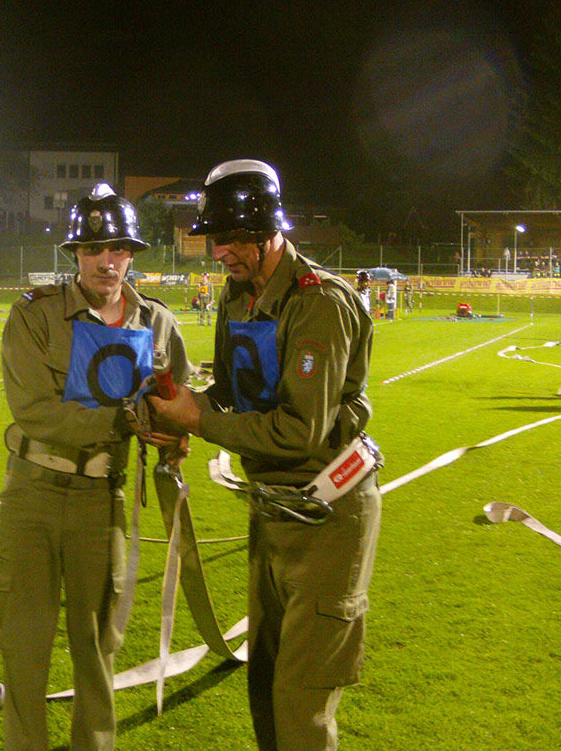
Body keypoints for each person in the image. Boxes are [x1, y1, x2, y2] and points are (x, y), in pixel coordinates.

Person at [148, 160, 381, 751]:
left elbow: (299, 431)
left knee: (301, 706)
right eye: (215, 237)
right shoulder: (237, 296)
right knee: (265, 689)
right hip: (272, 511)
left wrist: (197, 420)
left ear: (266, 230)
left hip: (328, 519)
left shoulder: (319, 302)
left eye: (231, 237)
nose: (219, 251)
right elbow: (232, 394)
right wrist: (175, 409)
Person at [0, 183, 190, 751]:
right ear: (75, 254)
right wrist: (125, 421)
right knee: (24, 643)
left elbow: (174, 403)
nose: (107, 261)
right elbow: (34, 412)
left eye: (118, 249)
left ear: (132, 254)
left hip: (103, 498)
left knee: (99, 643)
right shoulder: (35, 314)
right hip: (33, 493)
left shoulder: (158, 323)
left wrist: (173, 438)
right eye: (93, 249)